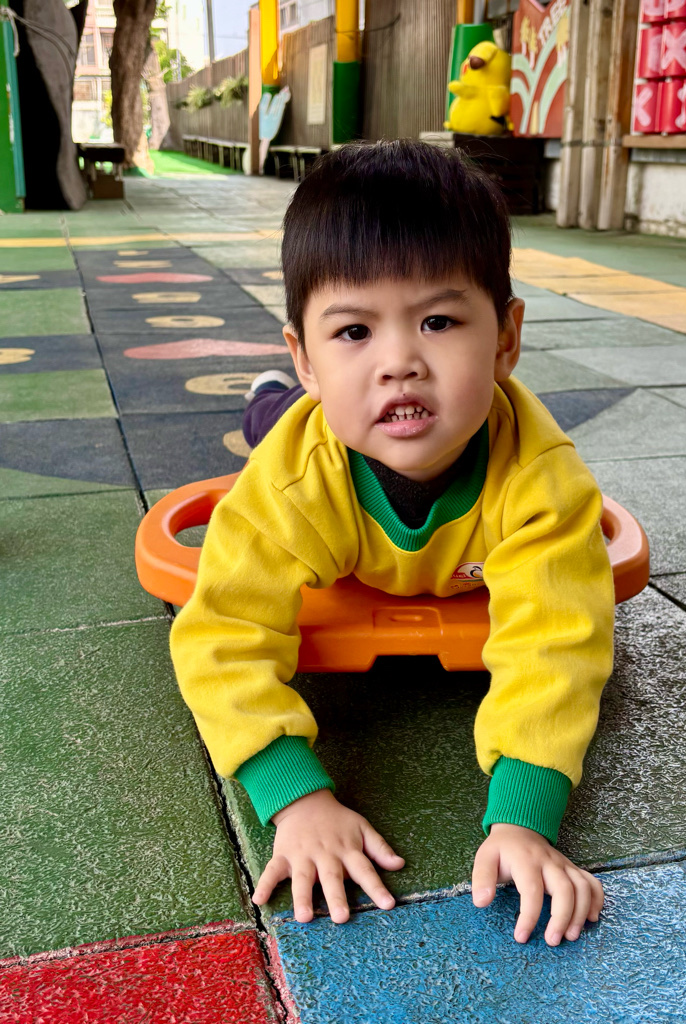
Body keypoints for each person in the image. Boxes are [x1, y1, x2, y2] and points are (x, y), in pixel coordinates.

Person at [170, 140, 615, 946]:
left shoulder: (542, 483)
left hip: (381, 467)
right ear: (306, 354)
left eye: (438, 322)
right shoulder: (291, 484)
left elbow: (558, 644)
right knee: (273, 424)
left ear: (506, 338)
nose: (400, 363)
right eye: (353, 331)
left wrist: (524, 819)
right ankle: (273, 393)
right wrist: (294, 797)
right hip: (309, 433)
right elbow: (221, 634)